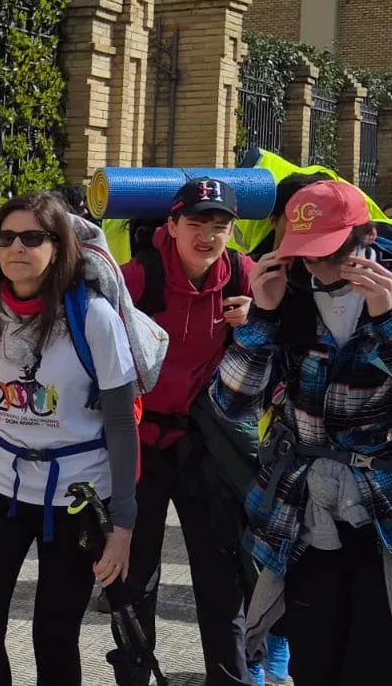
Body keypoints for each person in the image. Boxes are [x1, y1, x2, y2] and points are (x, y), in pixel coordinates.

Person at [211, 180, 392, 685]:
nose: (320, 269)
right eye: (306, 256)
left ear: (366, 238)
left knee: (376, 667)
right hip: (304, 512)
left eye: (333, 253)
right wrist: (262, 319)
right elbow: (232, 403)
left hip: (389, 512)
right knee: (314, 666)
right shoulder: (286, 294)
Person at [0, 192, 141, 686]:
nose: (15, 247)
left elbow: (120, 422)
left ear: (58, 245)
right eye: (5, 237)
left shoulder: (93, 317)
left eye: (31, 237)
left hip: (77, 497)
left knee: (55, 635)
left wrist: (123, 523)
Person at [118, 178, 255, 686]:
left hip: (205, 447)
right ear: (171, 225)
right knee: (136, 579)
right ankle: (134, 677)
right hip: (142, 446)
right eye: (196, 223)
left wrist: (261, 319)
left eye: (220, 226)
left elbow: (284, 343)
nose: (208, 235)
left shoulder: (245, 274)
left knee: (221, 580)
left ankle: (231, 679)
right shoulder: (137, 278)